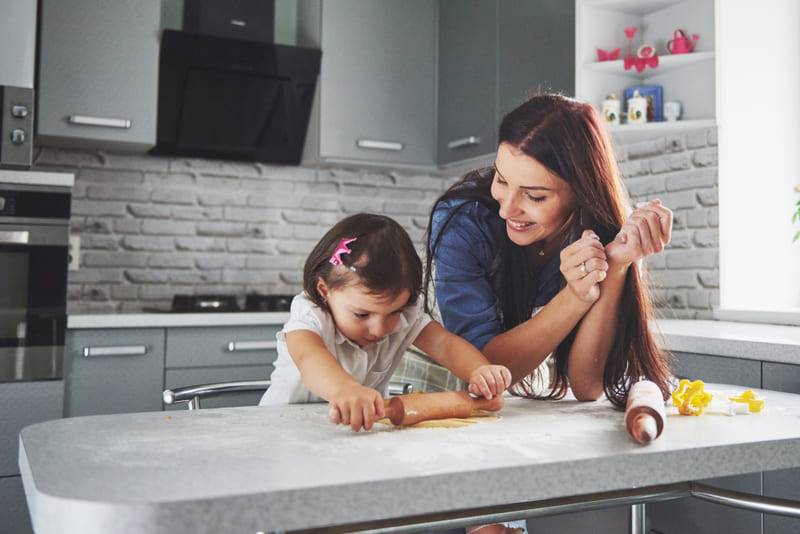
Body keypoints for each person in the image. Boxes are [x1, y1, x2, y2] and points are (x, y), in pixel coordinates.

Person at [426, 94, 674, 532]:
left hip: (513, 412)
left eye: (534, 196)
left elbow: (586, 384)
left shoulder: (595, 233)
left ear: (581, 191)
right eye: (501, 180)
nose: (507, 207)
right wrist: (575, 298)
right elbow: (485, 367)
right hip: (438, 402)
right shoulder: (463, 222)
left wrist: (615, 267)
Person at [260, 213, 512, 432]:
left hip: (360, 430)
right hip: (284, 429)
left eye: (394, 312)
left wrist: (478, 370)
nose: (380, 329)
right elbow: (308, 357)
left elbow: (444, 343)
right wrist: (344, 390)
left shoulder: (405, 314)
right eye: (362, 315)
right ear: (325, 291)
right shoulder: (310, 314)